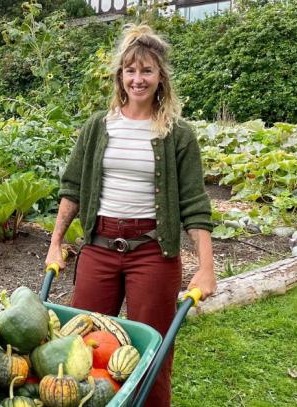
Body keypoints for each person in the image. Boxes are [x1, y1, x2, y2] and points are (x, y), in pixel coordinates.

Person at [44, 24, 217, 407]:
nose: (138, 79)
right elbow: (72, 189)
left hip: (153, 253)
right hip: (99, 248)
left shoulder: (177, 134)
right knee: (81, 344)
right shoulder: (97, 128)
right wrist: (55, 244)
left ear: (161, 77)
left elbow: (194, 204)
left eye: (147, 71)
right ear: (120, 77)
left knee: (152, 351)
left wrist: (206, 267)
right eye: (131, 71)